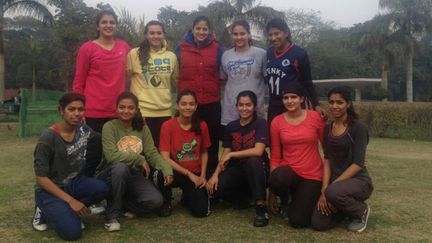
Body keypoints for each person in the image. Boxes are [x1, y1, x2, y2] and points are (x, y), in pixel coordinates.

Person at [32, 93, 109, 241]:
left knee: (103, 188)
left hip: (74, 182)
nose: (76, 113)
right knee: (72, 233)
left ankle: (65, 211)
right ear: (61, 110)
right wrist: (71, 201)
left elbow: (102, 141)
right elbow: (41, 178)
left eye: (80, 109)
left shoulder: (84, 130)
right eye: (71, 109)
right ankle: (43, 209)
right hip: (51, 189)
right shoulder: (48, 137)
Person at [95, 92, 173, 232]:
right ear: (116, 108)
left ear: (136, 110)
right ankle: (112, 215)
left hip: (133, 175)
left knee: (155, 201)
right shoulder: (109, 126)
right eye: (122, 107)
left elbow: (151, 152)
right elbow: (111, 156)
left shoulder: (142, 127)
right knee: (120, 167)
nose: (126, 111)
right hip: (110, 173)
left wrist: (166, 169)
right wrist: (138, 158)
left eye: (130, 108)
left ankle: (124, 204)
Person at [311, 86, 373, 232]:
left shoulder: (358, 128)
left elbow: (358, 164)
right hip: (335, 185)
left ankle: (360, 211)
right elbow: (327, 159)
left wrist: (330, 190)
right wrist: (324, 188)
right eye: (331, 102)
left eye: (339, 102)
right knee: (318, 223)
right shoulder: (327, 129)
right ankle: (346, 210)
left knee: (333, 192)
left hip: (359, 182)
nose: (334, 106)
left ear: (348, 104)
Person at [207, 90, 269, 227]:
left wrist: (232, 154)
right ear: (236, 107)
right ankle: (245, 199)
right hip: (238, 169)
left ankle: (260, 208)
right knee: (217, 188)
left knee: (253, 160)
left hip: (258, 169)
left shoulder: (261, 123)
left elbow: (258, 151)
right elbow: (225, 153)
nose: (244, 108)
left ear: (254, 107)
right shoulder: (231, 126)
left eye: (248, 105)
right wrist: (215, 175)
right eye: (241, 105)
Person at [268, 82, 326, 228]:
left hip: (312, 175)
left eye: (293, 97)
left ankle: (300, 200)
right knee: (277, 177)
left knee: (298, 221)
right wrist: (272, 192)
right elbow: (275, 156)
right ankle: (286, 198)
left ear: (301, 99)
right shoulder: (277, 122)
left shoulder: (315, 118)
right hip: (289, 172)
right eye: (286, 98)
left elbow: (327, 149)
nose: (289, 101)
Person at [175, 15, 224, 177]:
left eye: (205, 29)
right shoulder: (181, 48)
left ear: (209, 31)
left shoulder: (217, 48)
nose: (201, 32)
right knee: (187, 143)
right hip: (188, 105)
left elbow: (223, 73)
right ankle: (187, 180)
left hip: (211, 103)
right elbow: (174, 72)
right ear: (193, 29)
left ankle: (210, 182)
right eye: (198, 28)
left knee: (211, 143)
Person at [73, 10, 130, 133]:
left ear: (116, 26)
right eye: (104, 22)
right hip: (93, 111)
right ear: (97, 26)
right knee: (95, 150)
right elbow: (79, 80)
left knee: (116, 150)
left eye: (112, 22)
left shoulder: (124, 47)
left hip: (119, 111)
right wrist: (79, 109)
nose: (108, 25)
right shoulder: (87, 48)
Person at [158, 89, 211, 217]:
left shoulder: (202, 125)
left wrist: (202, 176)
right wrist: (188, 174)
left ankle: (187, 197)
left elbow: (204, 151)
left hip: (195, 173)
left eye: (191, 104)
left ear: (196, 106)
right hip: (176, 172)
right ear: (177, 105)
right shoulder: (167, 125)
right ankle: (166, 200)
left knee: (201, 212)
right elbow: (164, 157)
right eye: (184, 104)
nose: (187, 107)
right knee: (160, 174)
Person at [265, 18, 324, 126]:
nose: (273, 38)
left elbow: (307, 82)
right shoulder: (268, 53)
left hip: (292, 104)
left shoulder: (299, 53)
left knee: (292, 138)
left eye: (277, 33)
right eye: (270, 35)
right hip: (274, 104)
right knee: (273, 138)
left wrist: (316, 104)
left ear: (286, 32)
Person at [128, 20, 178, 147]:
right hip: (142, 111)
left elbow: (176, 82)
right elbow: (125, 78)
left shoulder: (171, 56)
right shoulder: (135, 54)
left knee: (162, 149)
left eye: (159, 33)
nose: (155, 36)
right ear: (146, 35)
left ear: (163, 34)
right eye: (152, 33)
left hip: (165, 111)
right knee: (142, 150)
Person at [220, 20, 266, 133]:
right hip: (231, 112)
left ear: (249, 34)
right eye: (235, 34)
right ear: (232, 36)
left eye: (242, 34)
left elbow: (267, 80)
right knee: (232, 147)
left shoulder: (261, 54)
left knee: (255, 148)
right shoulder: (226, 55)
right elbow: (223, 80)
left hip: (254, 111)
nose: (239, 37)